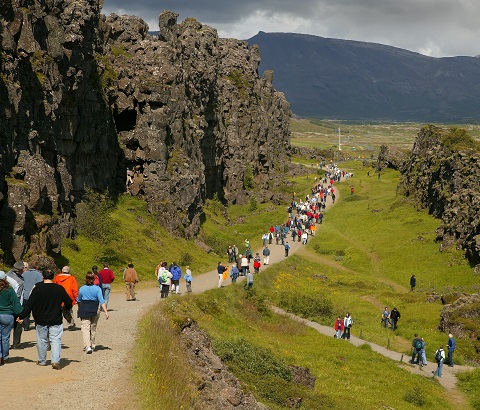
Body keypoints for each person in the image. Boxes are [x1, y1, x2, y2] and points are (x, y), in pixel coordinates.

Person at [17, 269, 72, 369]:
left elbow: (30, 304)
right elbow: (69, 301)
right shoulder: (59, 288)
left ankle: (42, 360)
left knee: (42, 340)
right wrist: (65, 308)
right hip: (56, 318)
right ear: (53, 276)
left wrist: (21, 316)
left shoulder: (38, 289)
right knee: (55, 340)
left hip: (41, 319)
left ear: (43, 276)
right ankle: (55, 361)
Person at [77, 272, 109, 354]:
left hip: (84, 308)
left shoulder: (82, 289)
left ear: (86, 279)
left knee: (85, 328)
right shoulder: (97, 289)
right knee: (93, 327)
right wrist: (106, 311)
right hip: (95, 309)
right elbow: (102, 301)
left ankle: (87, 346)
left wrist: (80, 308)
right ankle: (92, 344)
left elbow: (78, 300)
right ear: (94, 279)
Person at [0, 271, 23, 365]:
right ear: (5, 278)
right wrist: (20, 315)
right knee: (5, 337)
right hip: (7, 315)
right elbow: (16, 304)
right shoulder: (9, 289)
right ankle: (5, 357)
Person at [6, 261, 25, 348]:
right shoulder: (19, 282)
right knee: (18, 324)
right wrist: (19, 309)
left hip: (5, 304)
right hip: (16, 304)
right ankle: (16, 343)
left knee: (6, 325)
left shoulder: (7, 275)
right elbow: (18, 296)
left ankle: (5, 342)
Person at [53, 266, 79, 330]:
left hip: (58, 297)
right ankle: (70, 323)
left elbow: (54, 287)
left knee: (58, 311)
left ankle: (58, 324)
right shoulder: (72, 278)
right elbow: (74, 289)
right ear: (69, 271)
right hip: (69, 297)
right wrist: (76, 298)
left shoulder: (57, 278)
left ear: (62, 270)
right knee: (68, 311)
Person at [21, 262, 43, 331]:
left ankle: (26, 326)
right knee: (36, 312)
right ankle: (37, 325)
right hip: (36, 296)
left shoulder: (24, 274)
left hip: (25, 295)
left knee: (26, 311)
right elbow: (40, 285)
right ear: (37, 268)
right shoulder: (39, 274)